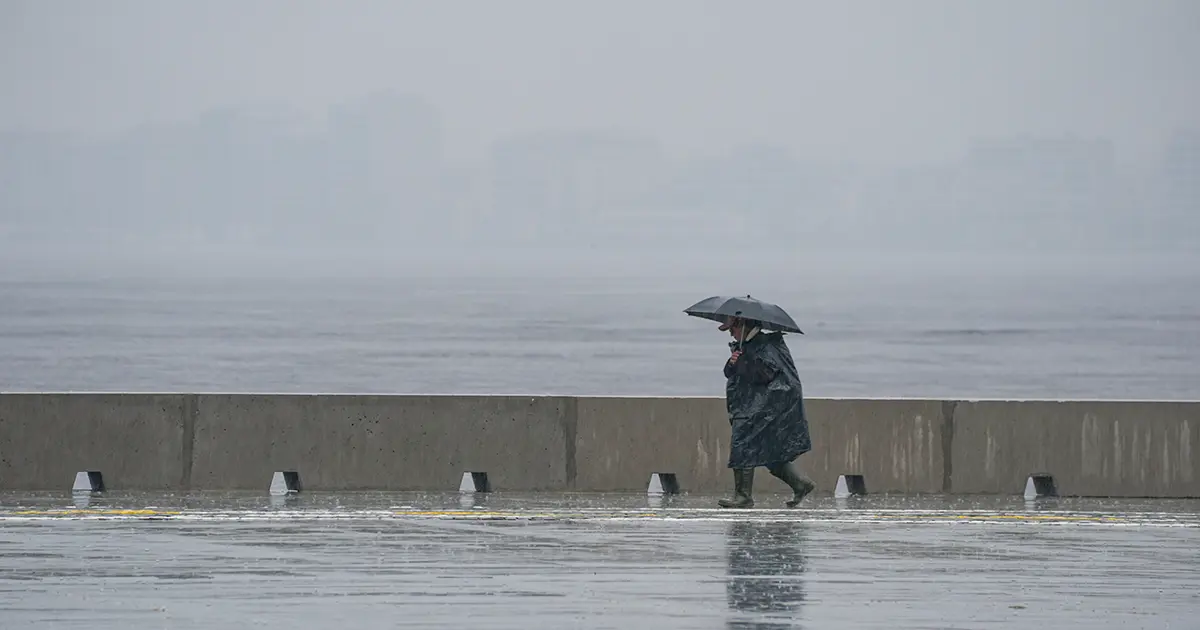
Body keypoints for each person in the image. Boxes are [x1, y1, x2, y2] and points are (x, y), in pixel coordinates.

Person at [716, 315, 815, 508]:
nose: (730, 333)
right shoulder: (746, 346)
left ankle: (743, 496)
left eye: (732, 329)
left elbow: (764, 375)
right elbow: (730, 373)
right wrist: (733, 362)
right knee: (769, 451)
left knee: (742, 445)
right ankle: (801, 484)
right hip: (747, 406)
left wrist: (742, 362)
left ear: (743, 326)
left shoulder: (767, 346)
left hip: (761, 409)